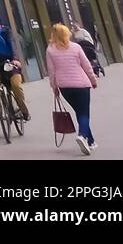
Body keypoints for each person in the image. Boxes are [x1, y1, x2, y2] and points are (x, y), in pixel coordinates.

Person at [46, 23, 99, 155]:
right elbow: (87, 66)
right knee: (84, 113)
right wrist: (93, 80)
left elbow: (51, 71)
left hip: (65, 87)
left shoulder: (50, 50)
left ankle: (90, 141)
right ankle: (82, 136)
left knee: (79, 112)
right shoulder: (76, 47)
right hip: (81, 85)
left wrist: (54, 88)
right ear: (66, 34)